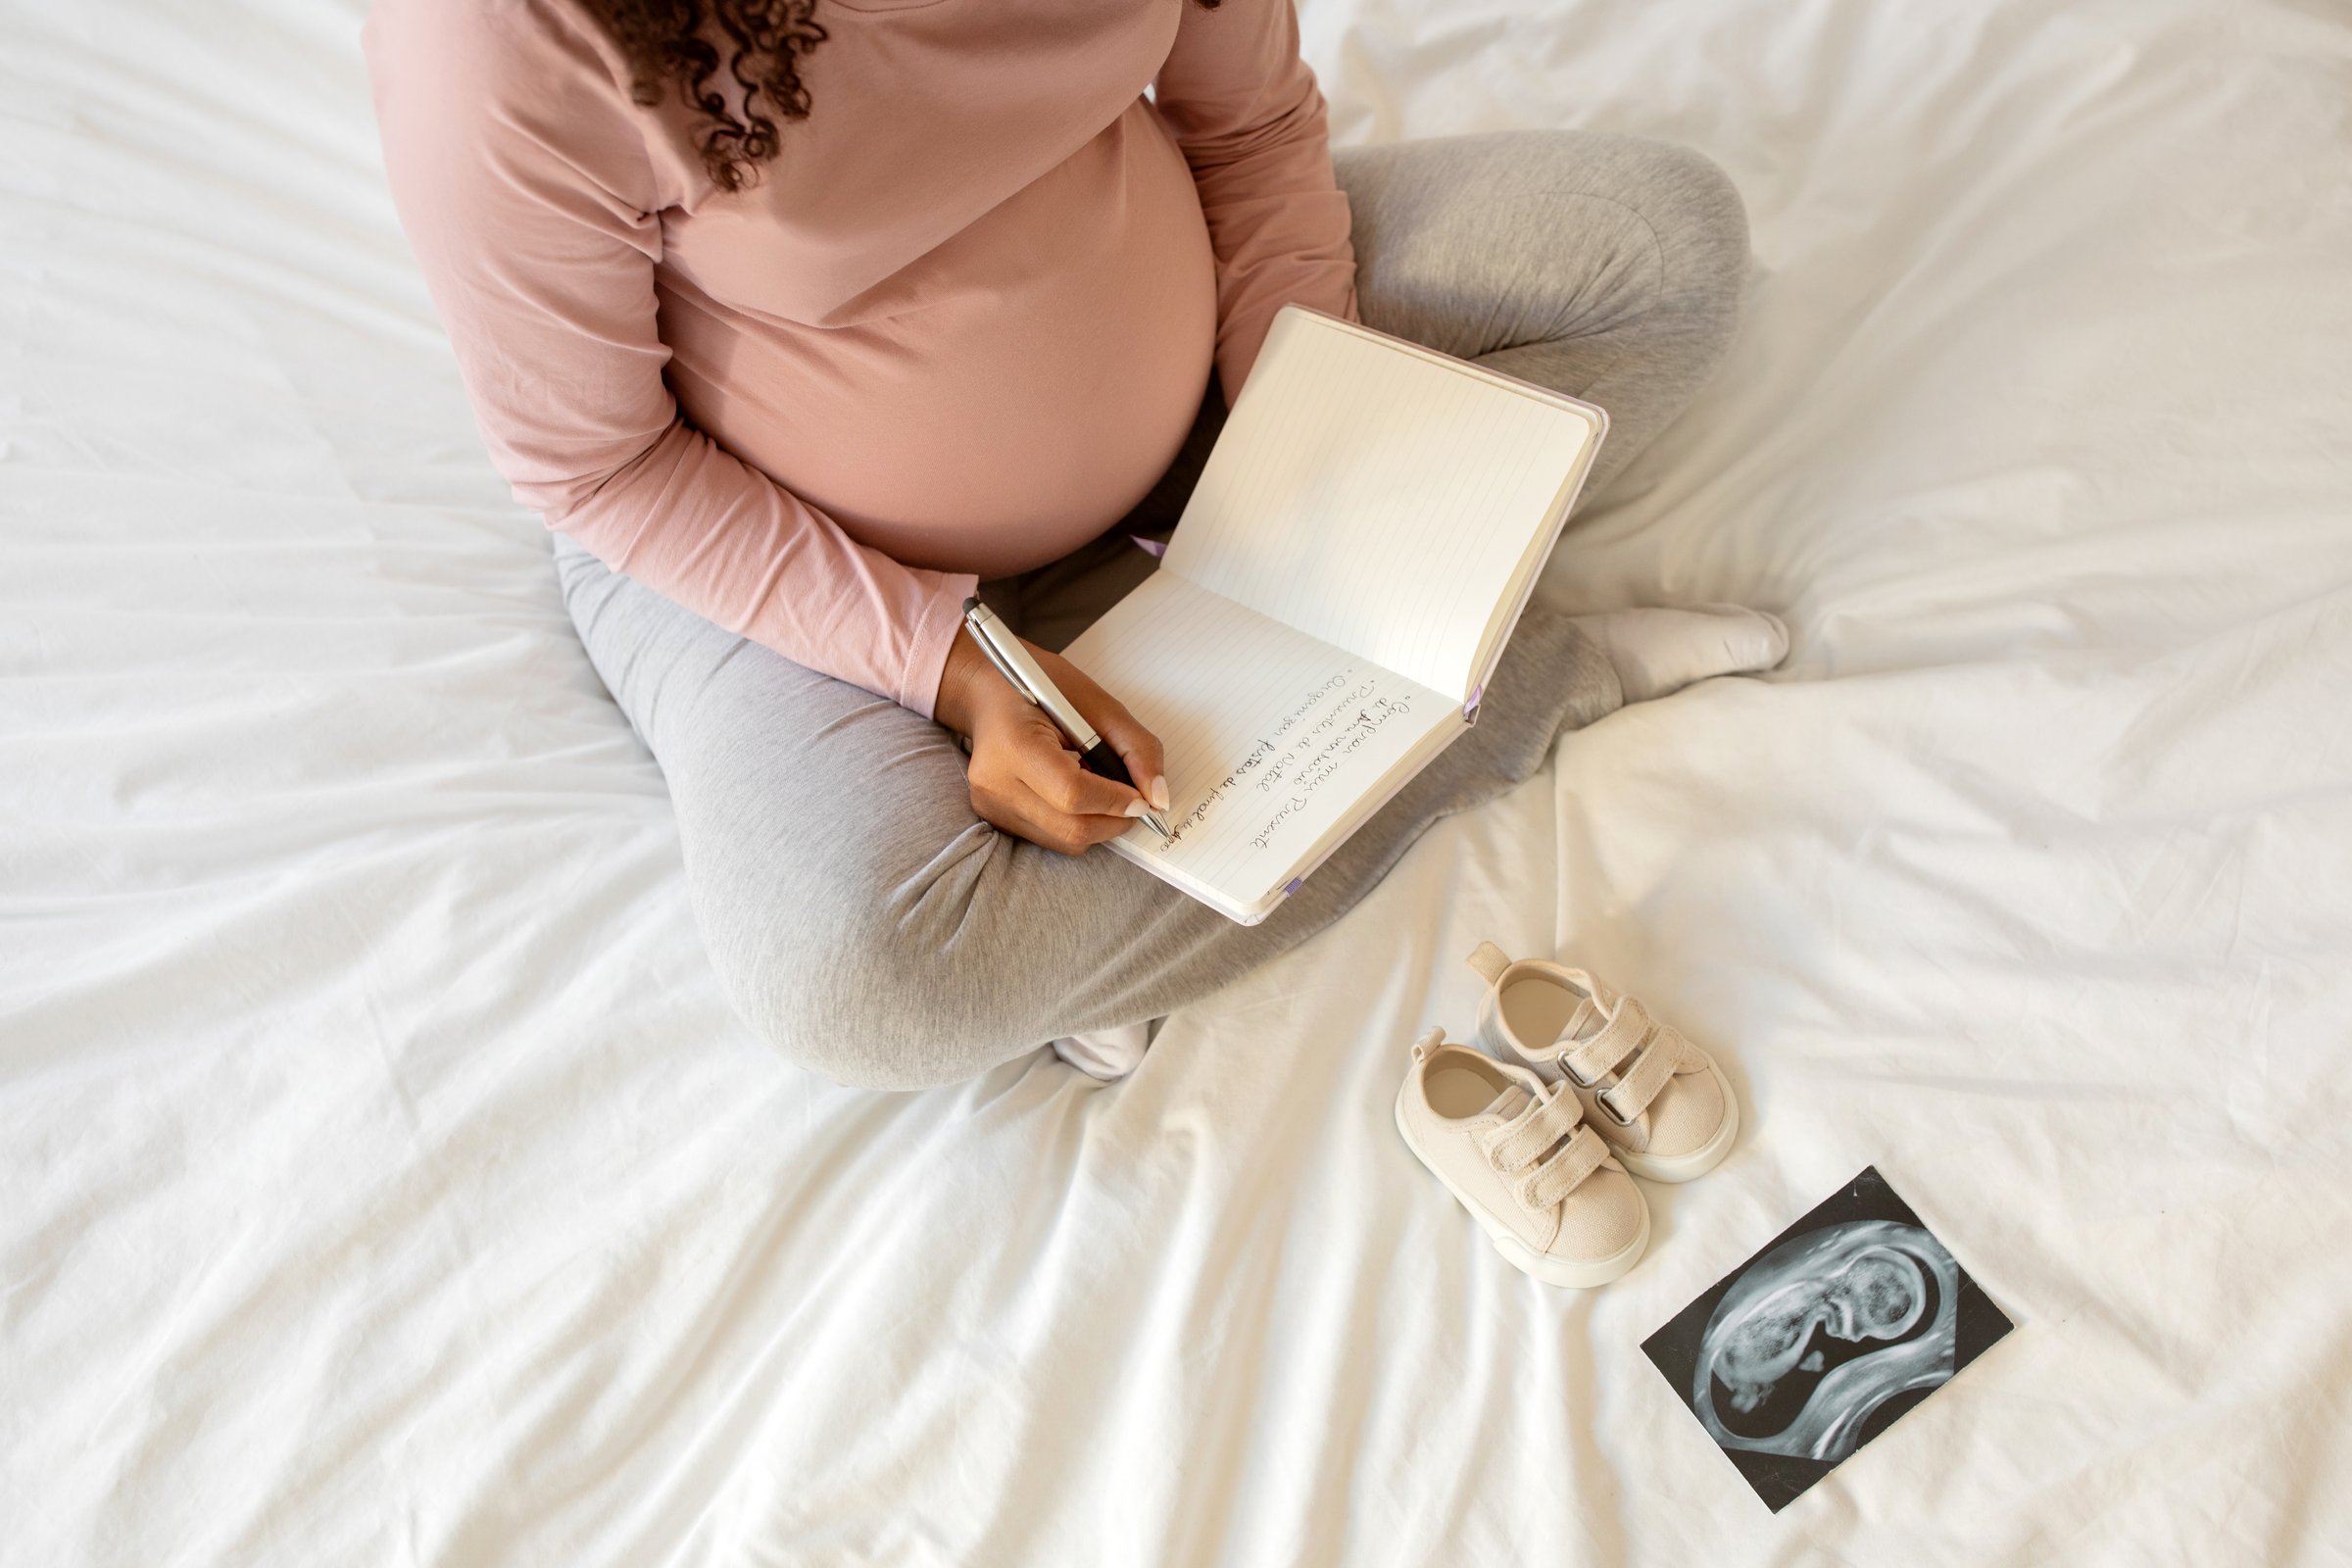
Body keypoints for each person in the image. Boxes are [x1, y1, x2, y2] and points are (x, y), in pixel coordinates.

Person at [365, 0, 1784, 1089]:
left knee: (1658, 253)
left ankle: (1120, 894)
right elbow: (601, 466)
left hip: (1201, 393)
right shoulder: (504, 33)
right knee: (860, 982)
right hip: (777, 554)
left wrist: (1306, 426)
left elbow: (1248, 131)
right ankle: (1513, 691)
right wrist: (955, 668)